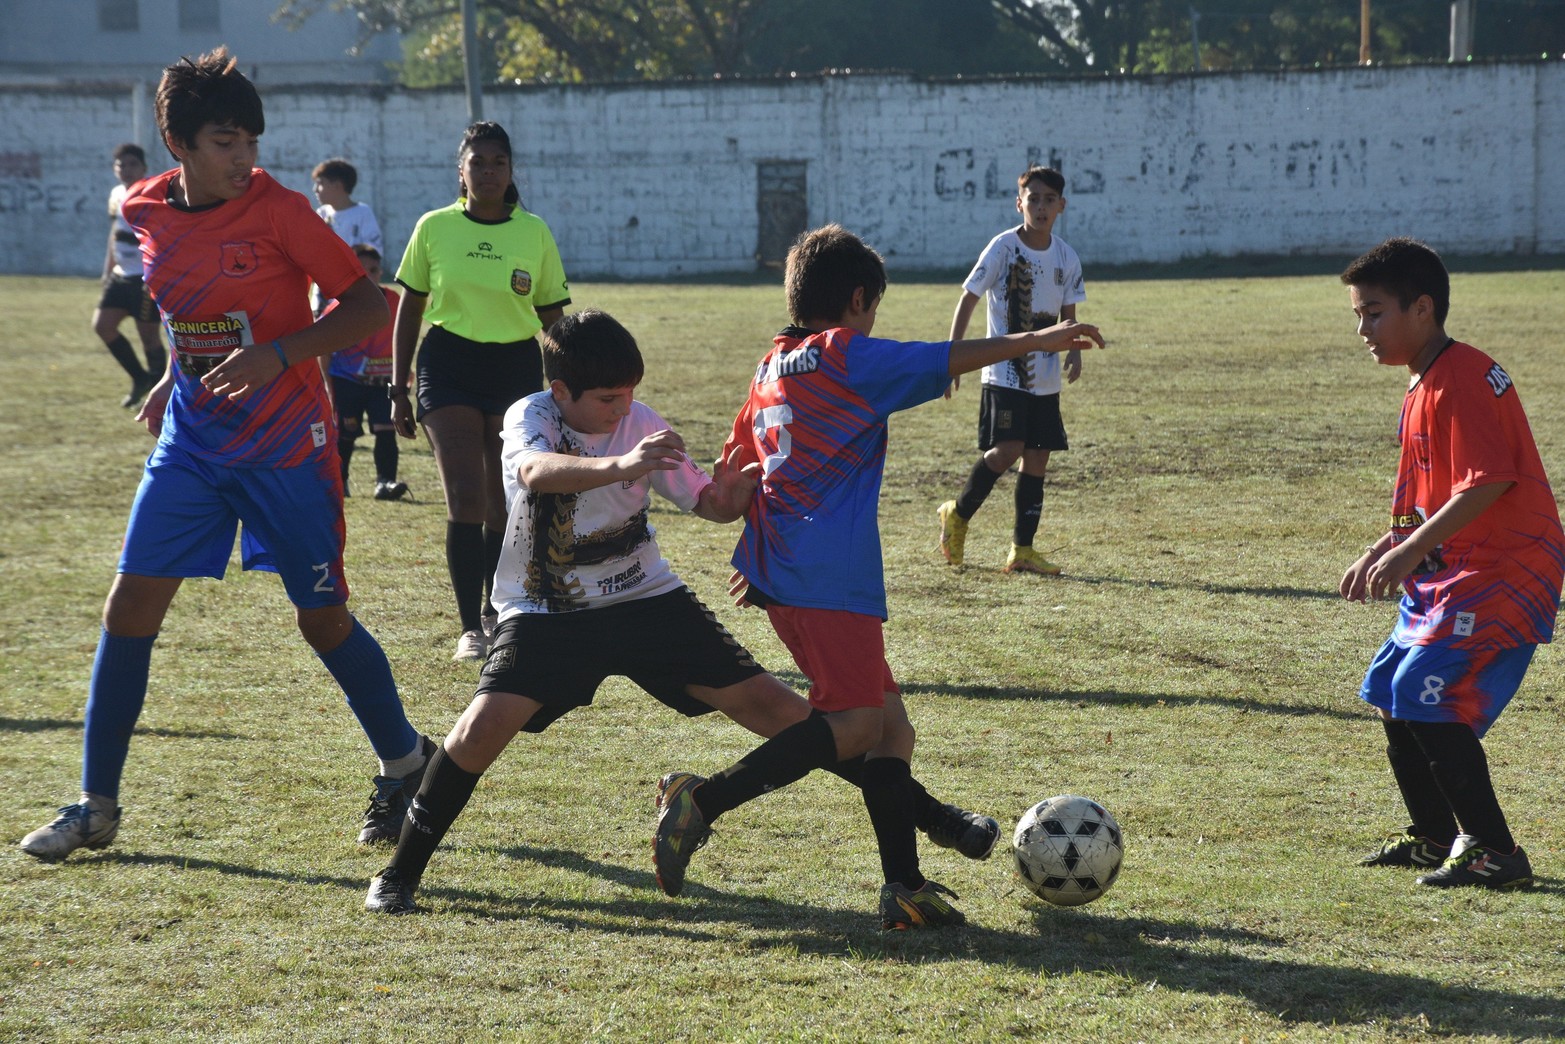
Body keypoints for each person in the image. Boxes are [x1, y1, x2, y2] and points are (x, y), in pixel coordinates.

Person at [364, 309, 1000, 915]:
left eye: (629, 396)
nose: (624, 410)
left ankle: (931, 816)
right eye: (608, 400)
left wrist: (733, 493)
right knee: (479, 732)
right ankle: (400, 872)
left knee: (787, 715)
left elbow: (705, 503)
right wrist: (622, 463)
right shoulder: (531, 416)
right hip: (547, 608)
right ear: (561, 391)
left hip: (647, 599)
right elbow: (534, 473)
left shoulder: (641, 421)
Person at [19, 48, 432, 862]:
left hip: (288, 449)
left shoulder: (281, 213)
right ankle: (96, 803)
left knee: (322, 622)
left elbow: (365, 306)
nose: (244, 160)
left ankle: (406, 760)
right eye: (225, 143)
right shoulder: (145, 209)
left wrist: (279, 355)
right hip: (196, 445)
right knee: (129, 607)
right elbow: (183, 305)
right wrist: (174, 377)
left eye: (250, 141)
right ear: (178, 143)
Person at [654, 225, 1103, 930]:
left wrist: (759, 551)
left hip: (787, 573)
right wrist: (1032, 342)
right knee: (858, 722)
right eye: (872, 311)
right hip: (828, 574)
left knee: (892, 730)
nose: (872, 326)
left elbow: (738, 481)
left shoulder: (769, 368)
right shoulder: (841, 355)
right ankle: (701, 802)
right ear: (857, 299)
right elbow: (942, 357)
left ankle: (904, 887)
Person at [1340, 237, 1561, 890]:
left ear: (1422, 308)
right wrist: (1389, 545)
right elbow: (1428, 497)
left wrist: (1407, 551)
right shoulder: (1425, 381)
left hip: (1501, 570)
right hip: (1453, 568)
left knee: (1422, 694)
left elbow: (1487, 483)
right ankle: (1436, 838)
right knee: (1389, 691)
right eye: (1358, 314)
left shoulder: (1462, 378)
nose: (1362, 329)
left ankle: (1495, 852)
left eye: (1373, 313)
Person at [392, 121, 571, 663]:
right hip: (447, 363)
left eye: (498, 161)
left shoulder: (533, 232)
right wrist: (397, 387)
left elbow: (553, 317)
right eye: (478, 162)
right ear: (460, 169)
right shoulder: (434, 227)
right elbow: (410, 308)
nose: (488, 171)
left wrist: (568, 387)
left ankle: (498, 611)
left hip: (514, 366)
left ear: (511, 170)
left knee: (502, 501)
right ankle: (470, 626)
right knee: (466, 496)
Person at [935, 165, 1088, 576]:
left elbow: (1068, 317)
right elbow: (968, 297)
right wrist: (955, 355)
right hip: (1004, 370)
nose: (1040, 207)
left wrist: (1074, 352)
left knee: (1037, 456)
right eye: (1032, 198)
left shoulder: (1066, 256)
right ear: (1018, 202)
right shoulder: (1003, 248)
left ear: (1061, 206)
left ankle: (1022, 549)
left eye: (1048, 200)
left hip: (1046, 376)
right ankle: (958, 514)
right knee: (1008, 450)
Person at [326, 244, 409, 501]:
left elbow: (406, 333)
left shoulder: (395, 301)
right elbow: (323, 349)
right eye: (362, 270)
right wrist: (329, 386)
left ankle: (385, 482)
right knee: (346, 433)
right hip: (347, 381)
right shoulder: (340, 305)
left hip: (383, 382)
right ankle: (339, 483)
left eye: (374, 270)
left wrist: (405, 371)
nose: (369, 276)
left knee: (385, 430)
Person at [94, 143, 167, 409]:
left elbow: (161, 235)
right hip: (120, 275)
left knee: (148, 336)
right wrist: (107, 269)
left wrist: (156, 273)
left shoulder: (151, 194)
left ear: (144, 168)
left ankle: (160, 394)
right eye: (120, 165)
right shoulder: (115, 194)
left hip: (144, 278)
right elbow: (114, 235)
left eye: (132, 164)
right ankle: (140, 379)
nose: (125, 170)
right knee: (102, 326)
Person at [312, 157, 383, 253]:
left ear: (337, 186)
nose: (315, 189)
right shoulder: (322, 213)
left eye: (320, 184)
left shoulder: (362, 212)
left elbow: (375, 250)